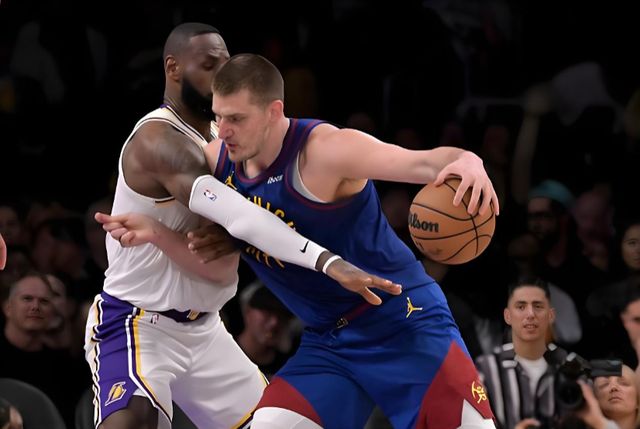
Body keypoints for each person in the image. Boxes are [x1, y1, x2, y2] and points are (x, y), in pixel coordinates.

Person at [101, 53, 500, 428]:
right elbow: (216, 246)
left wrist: (468, 160)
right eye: (219, 117)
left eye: (236, 119)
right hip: (330, 341)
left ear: (274, 111)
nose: (224, 131)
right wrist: (160, 232)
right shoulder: (217, 161)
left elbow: (423, 161)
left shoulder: (326, 151)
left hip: (403, 322)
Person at [86, 23, 400, 429]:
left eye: (227, 65)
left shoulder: (226, 135)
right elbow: (241, 215)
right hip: (138, 322)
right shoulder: (158, 140)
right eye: (209, 66)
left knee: (282, 424)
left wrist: (236, 236)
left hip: (205, 328)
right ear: (173, 68)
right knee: (136, 421)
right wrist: (327, 261)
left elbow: (265, 207)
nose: (222, 76)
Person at [475, 275, 573, 429]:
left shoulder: (570, 366)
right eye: (521, 307)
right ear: (508, 316)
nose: (530, 314)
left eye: (538, 306)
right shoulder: (486, 369)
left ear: (551, 316)